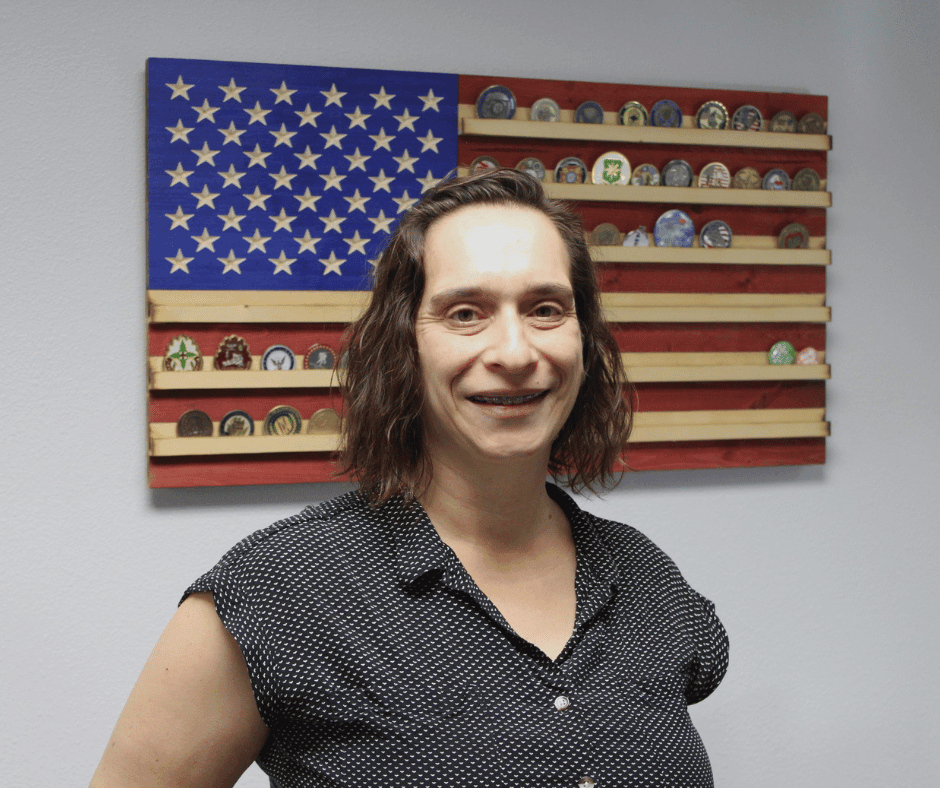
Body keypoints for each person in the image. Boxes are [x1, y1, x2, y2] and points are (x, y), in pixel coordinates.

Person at [90, 169, 728, 788]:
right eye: (465, 313)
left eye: (545, 309)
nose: (514, 353)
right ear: (403, 344)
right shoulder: (279, 592)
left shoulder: (646, 581)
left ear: (583, 338)